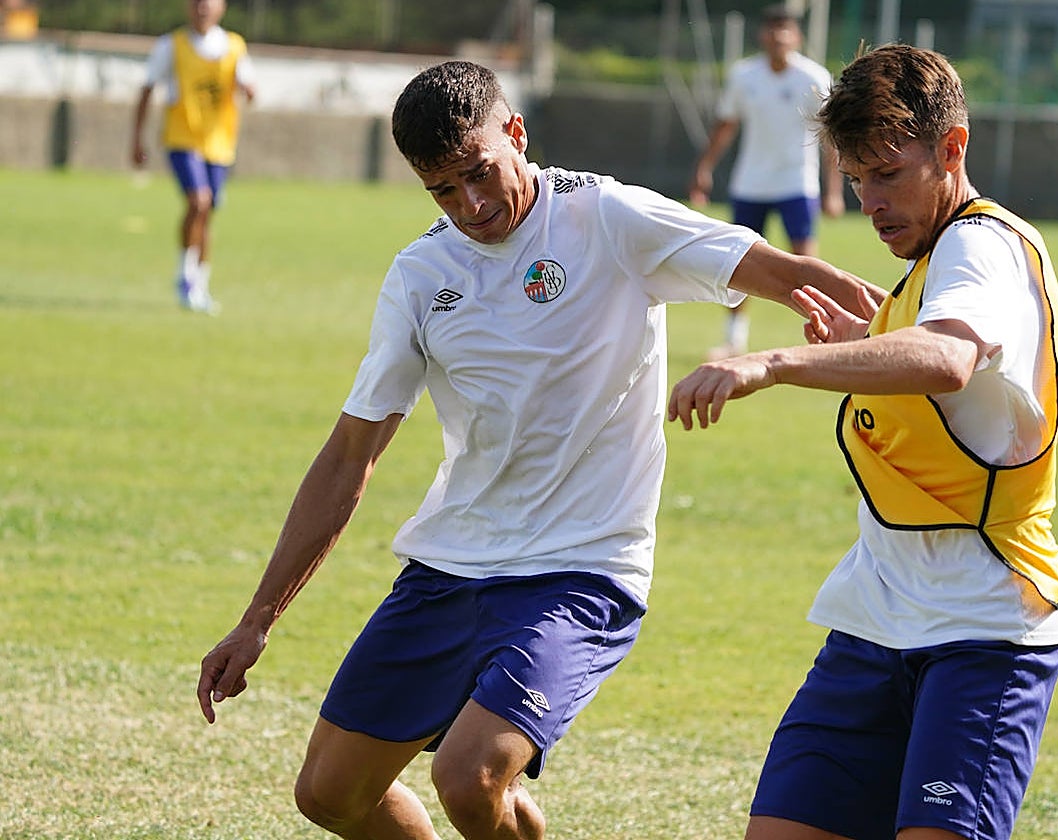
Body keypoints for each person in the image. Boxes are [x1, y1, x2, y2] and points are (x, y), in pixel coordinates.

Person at [196, 60, 879, 840]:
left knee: (466, 773)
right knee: (329, 793)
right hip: (452, 564)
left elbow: (776, 268)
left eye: (479, 172)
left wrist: (870, 320)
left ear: (516, 133)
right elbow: (352, 453)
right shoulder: (423, 276)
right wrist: (258, 619)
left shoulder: (607, 217)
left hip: (581, 568)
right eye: (443, 192)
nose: (472, 205)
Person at [669, 44, 1058, 840]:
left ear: (952, 150)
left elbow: (949, 357)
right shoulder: (930, 263)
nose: (869, 202)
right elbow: (934, 362)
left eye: (887, 174)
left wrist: (775, 362)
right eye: (856, 178)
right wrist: (870, 336)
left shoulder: (979, 245)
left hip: (983, 629)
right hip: (876, 620)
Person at [689, 3, 845, 360]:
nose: (778, 37)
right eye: (772, 29)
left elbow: (828, 140)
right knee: (739, 262)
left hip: (797, 185)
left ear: (796, 37)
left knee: (807, 264)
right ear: (762, 35)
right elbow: (726, 124)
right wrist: (704, 168)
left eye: (785, 30)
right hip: (751, 185)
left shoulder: (814, 78)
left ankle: (828, 334)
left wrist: (834, 191)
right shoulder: (744, 76)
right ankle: (734, 338)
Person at [131, 0, 255, 314]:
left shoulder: (233, 46)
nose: (202, 8)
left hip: (220, 144)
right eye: (196, 3)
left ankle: (200, 283)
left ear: (221, 8)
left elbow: (249, 86)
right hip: (182, 139)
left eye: (208, 3)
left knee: (207, 211)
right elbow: (147, 89)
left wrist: (248, 90)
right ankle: (184, 276)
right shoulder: (171, 46)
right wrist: (137, 139)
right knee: (198, 202)